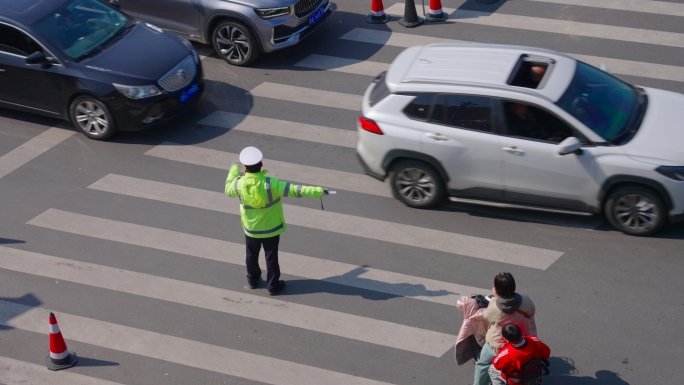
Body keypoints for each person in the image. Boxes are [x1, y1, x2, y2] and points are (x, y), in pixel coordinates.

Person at [225, 146, 328, 295]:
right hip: (271, 229)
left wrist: (235, 167)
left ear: (245, 167)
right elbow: (295, 190)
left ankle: (252, 280)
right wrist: (318, 191)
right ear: (261, 164)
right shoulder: (272, 183)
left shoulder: (239, 184)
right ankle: (273, 285)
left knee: (251, 255)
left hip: (251, 229)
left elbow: (228, 187)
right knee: (271, 256)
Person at [473, 273, 537, 385]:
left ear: (497, 290)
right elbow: (532, 312)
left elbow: (486, 317)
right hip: (522, 340)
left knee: (482, 364)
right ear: (514, 287)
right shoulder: (526, 299)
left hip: (498, 345)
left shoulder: (494, 306)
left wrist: (494, 298)